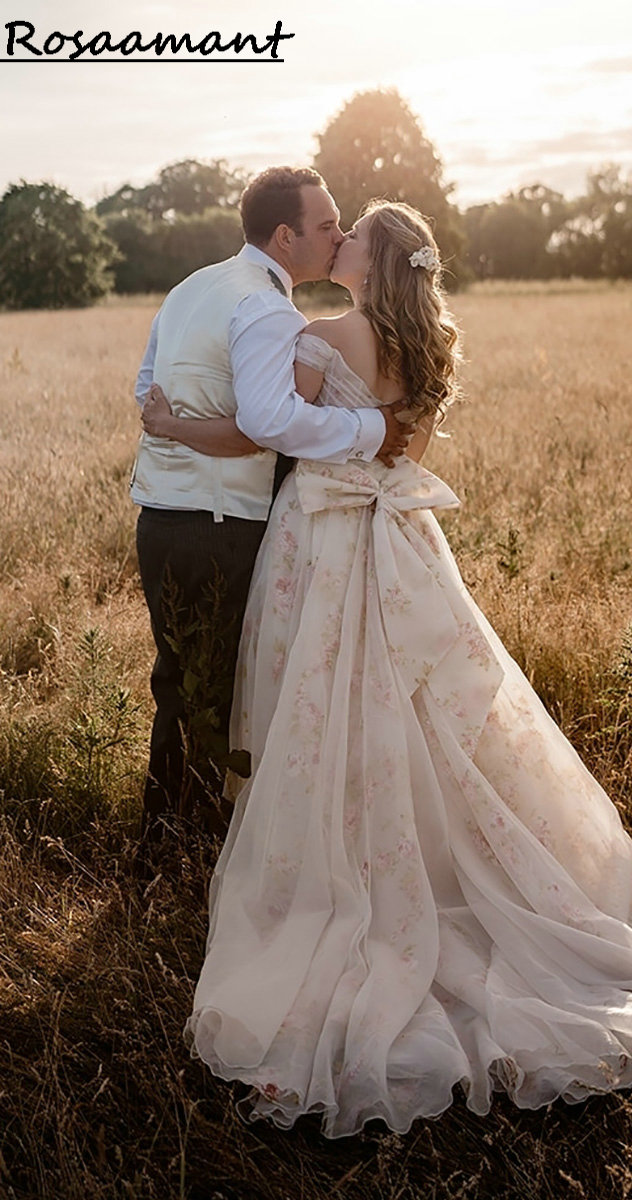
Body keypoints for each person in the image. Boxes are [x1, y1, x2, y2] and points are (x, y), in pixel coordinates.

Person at [146, 200, 632, 1140]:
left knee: (326, 712)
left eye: (351, 234)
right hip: (401, 542)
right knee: (425, 719)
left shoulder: (322, 335)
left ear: (373, 258)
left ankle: (350, 876)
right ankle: (427, 860)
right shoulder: (418, 344)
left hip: (324, 544)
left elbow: (267, 429)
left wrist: (172, 421)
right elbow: (398, 441)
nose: (339, 240)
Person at [130, 167, 411, 848]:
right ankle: (189, 845)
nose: (337, 234)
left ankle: (167, 840)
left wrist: (176, 432)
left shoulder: (195, 285)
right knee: (214, 690)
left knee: (179, 681)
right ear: (284, 237)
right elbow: (269, 420)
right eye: (325, 225)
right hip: (221, 524)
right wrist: (372, 431)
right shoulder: (267, 308)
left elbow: (147, 387)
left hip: (160, 516)